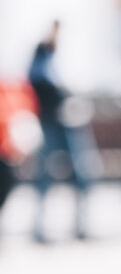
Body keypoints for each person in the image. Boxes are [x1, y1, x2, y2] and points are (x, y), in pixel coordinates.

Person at [27, 20, 90, 243]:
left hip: (68, 121)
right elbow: (40, 81)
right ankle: (38, 227)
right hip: (50, 122)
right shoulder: (41, 57)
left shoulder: (60, 59)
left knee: (83, 173)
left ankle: (81, 225)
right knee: (45, 174)